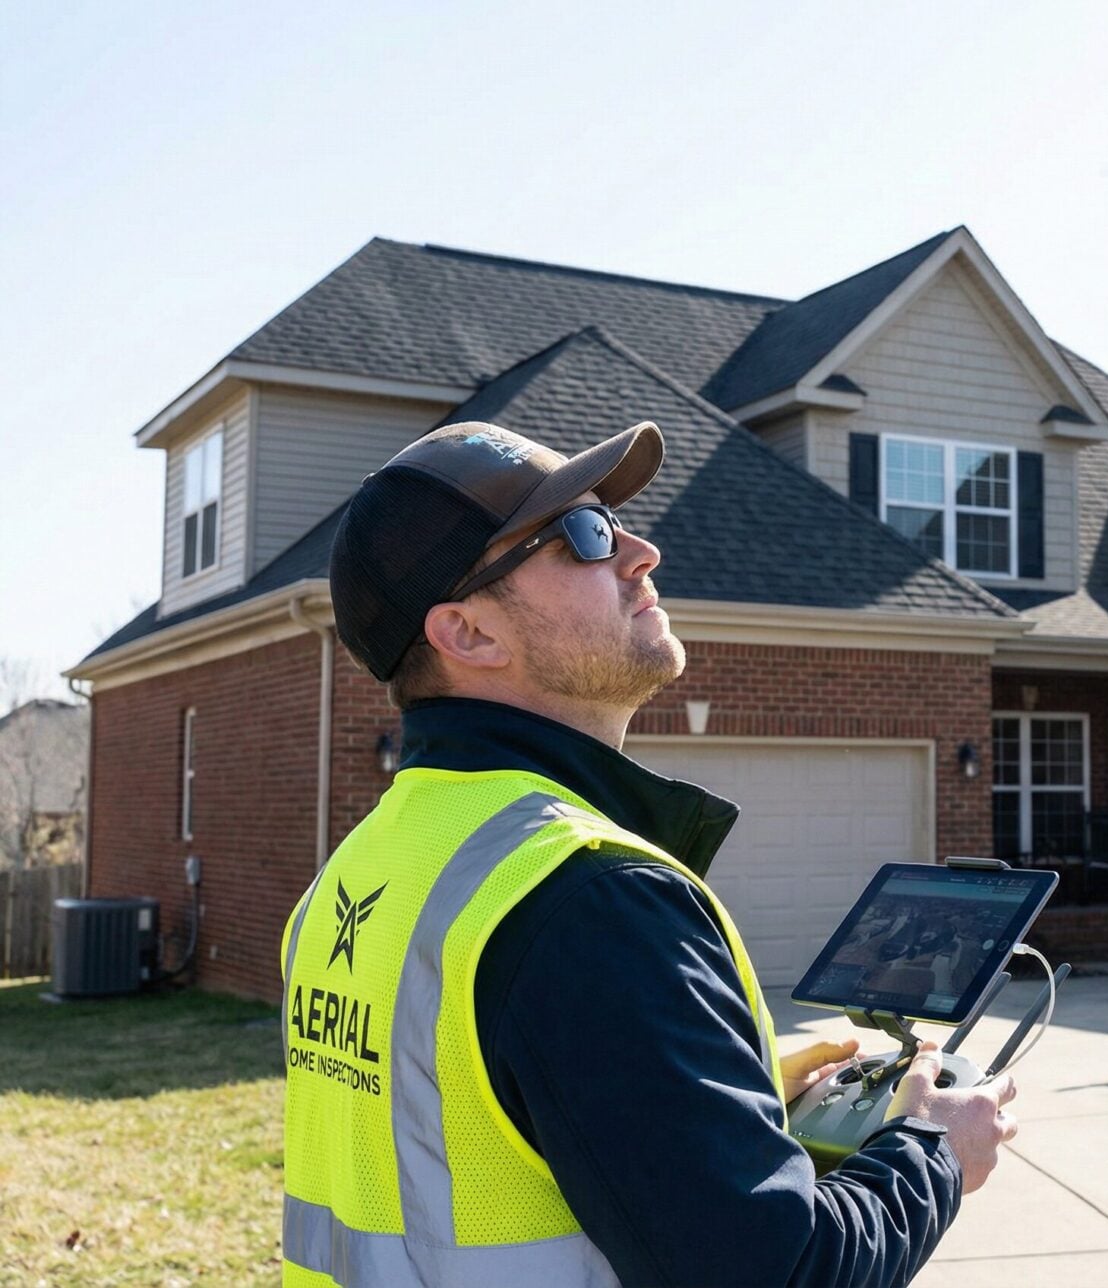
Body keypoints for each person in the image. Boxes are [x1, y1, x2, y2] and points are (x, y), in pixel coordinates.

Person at [280, 420, 1017, 1287]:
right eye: (585, 536)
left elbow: (460, 1137)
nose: (642, 551)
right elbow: (781, 1272)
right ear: (468, 635)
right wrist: (933, 1148)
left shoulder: (358, 871)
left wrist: (712, 1094)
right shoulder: (589, 898)